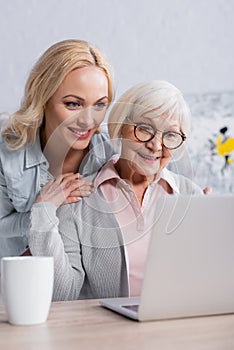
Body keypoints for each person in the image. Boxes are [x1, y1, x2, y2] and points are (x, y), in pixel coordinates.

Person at [28, 80, 203, 301]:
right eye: (145, 129)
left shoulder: (191, 196)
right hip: (109, 331)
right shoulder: (79, 197)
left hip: (177, 326)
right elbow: (63, 294)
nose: (156, 146)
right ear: (120, 127)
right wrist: (42, 213)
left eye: (170, 135)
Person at [0, 39, 115, 259]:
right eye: (73, 104)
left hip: (87, 289)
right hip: (20, 282)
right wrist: (43, 209)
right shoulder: (8, 153)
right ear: (43, 99)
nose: (88, 120)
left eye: (99, 104)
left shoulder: (112, 153)